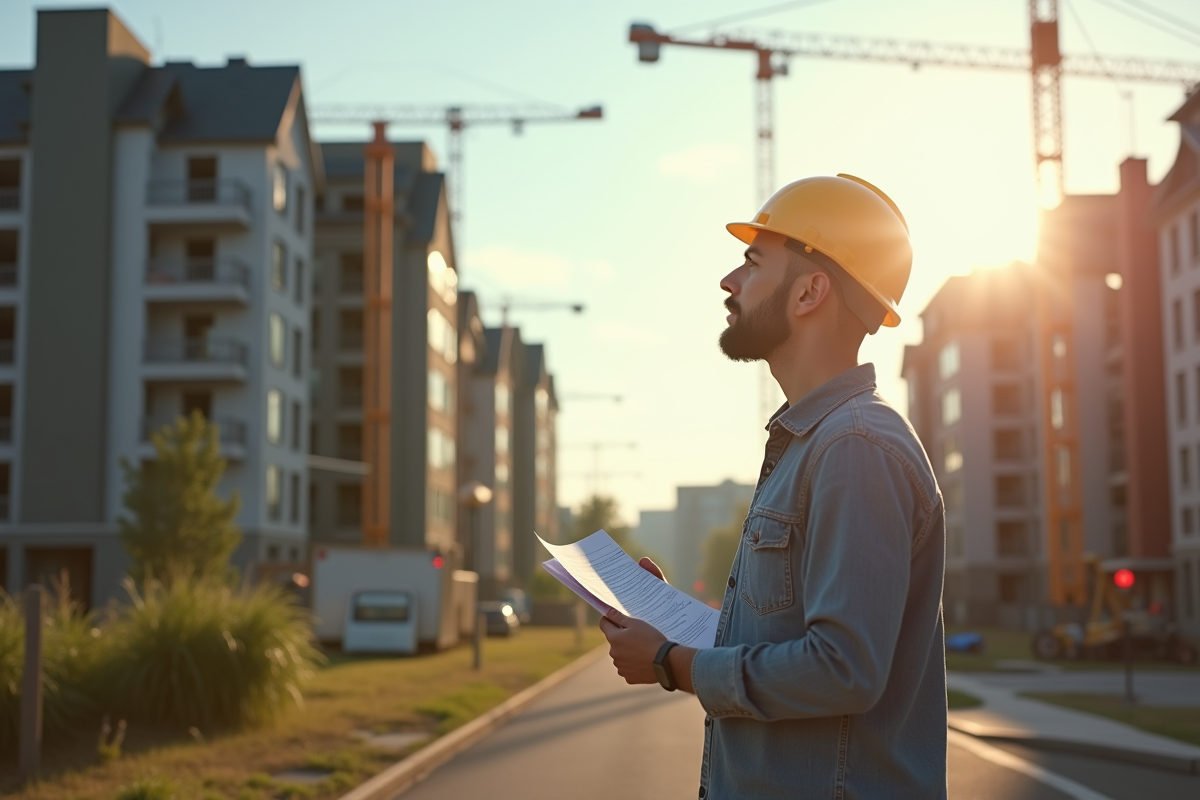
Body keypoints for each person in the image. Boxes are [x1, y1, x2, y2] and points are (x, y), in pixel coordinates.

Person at [600, 174, 947, 798]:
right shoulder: (814, 443)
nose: (729, 282)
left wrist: (669, 664)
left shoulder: (853, 449)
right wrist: (674, 627)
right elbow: (794, 635)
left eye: (753, 263)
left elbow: (843, 670)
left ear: (811, 291)